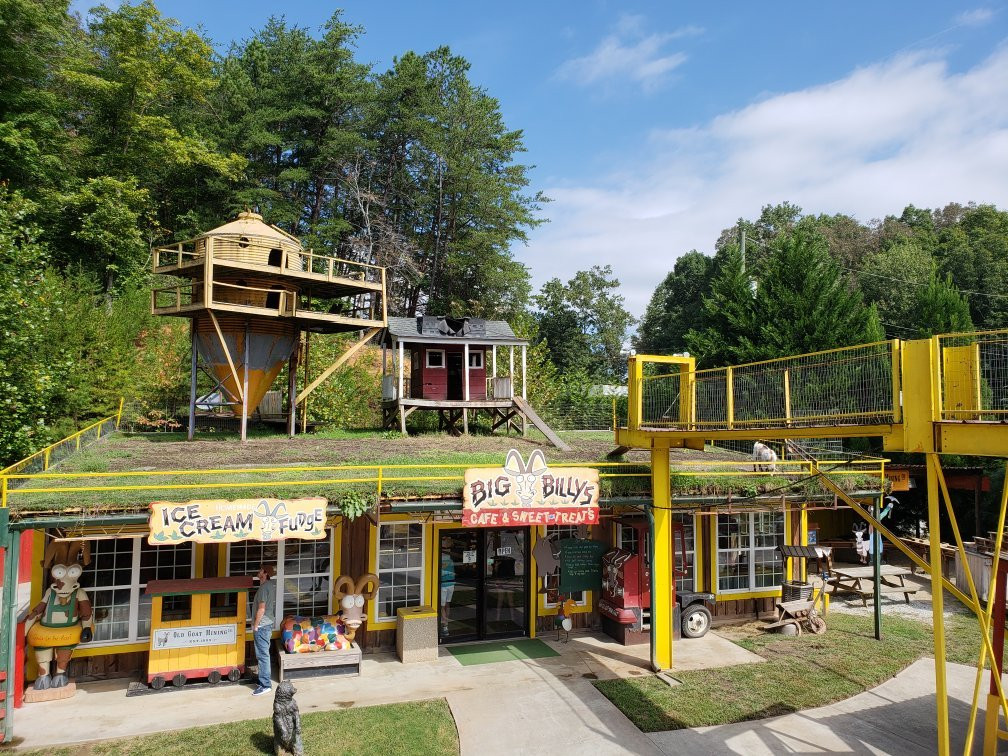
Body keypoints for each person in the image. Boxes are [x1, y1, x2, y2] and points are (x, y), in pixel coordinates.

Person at [252, 564, 276, 696]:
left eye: (261, 570)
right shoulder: (268, 586)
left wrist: (256, 625)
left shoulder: (263, 588)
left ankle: (265, 684)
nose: (259, 571)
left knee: (262, 656)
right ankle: (263, 680)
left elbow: (262, 609)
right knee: (263, 654)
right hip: (267, 624)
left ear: (265, 573)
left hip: (262, 626)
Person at [440, 549, 455, 636]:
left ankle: (445, 625)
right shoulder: (451, 561)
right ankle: (446, 621)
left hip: (443, 585)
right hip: (451, 584)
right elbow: (453, 573)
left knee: (442, 606)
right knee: (447, 604)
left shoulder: (440, 561)